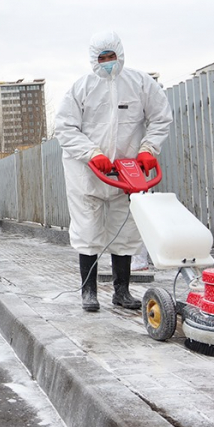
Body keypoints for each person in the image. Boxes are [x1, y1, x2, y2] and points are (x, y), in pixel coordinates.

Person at [54, 31, 173, 312]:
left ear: (120, 54)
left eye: (111, 57)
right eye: (102, 58)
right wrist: (92, 153)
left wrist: (148, 148)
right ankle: (89, 292)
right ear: (93, 60)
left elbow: (160, 117)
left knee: (127, 231)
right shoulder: (80, 89)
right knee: (88, 230)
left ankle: (122, 291)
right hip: (86, 172)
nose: (107, 63)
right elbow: (65, 128)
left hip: (126, 173)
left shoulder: (141, 83)